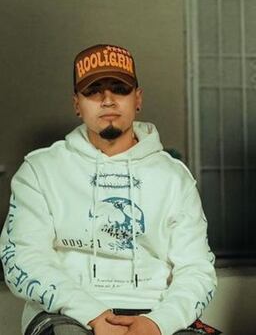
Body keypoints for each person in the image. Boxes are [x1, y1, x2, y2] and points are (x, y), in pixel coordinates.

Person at [1, 44, 219, 335]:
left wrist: (157, 324)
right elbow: (22, 258)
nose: (107, 100)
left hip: (153, 312)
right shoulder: (40, 170)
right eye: (93, 91)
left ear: (137, 99)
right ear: (77, 104)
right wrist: (92, 315)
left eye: (119, 89)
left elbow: (196, 269)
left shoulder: (174, 178)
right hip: (67, 313)